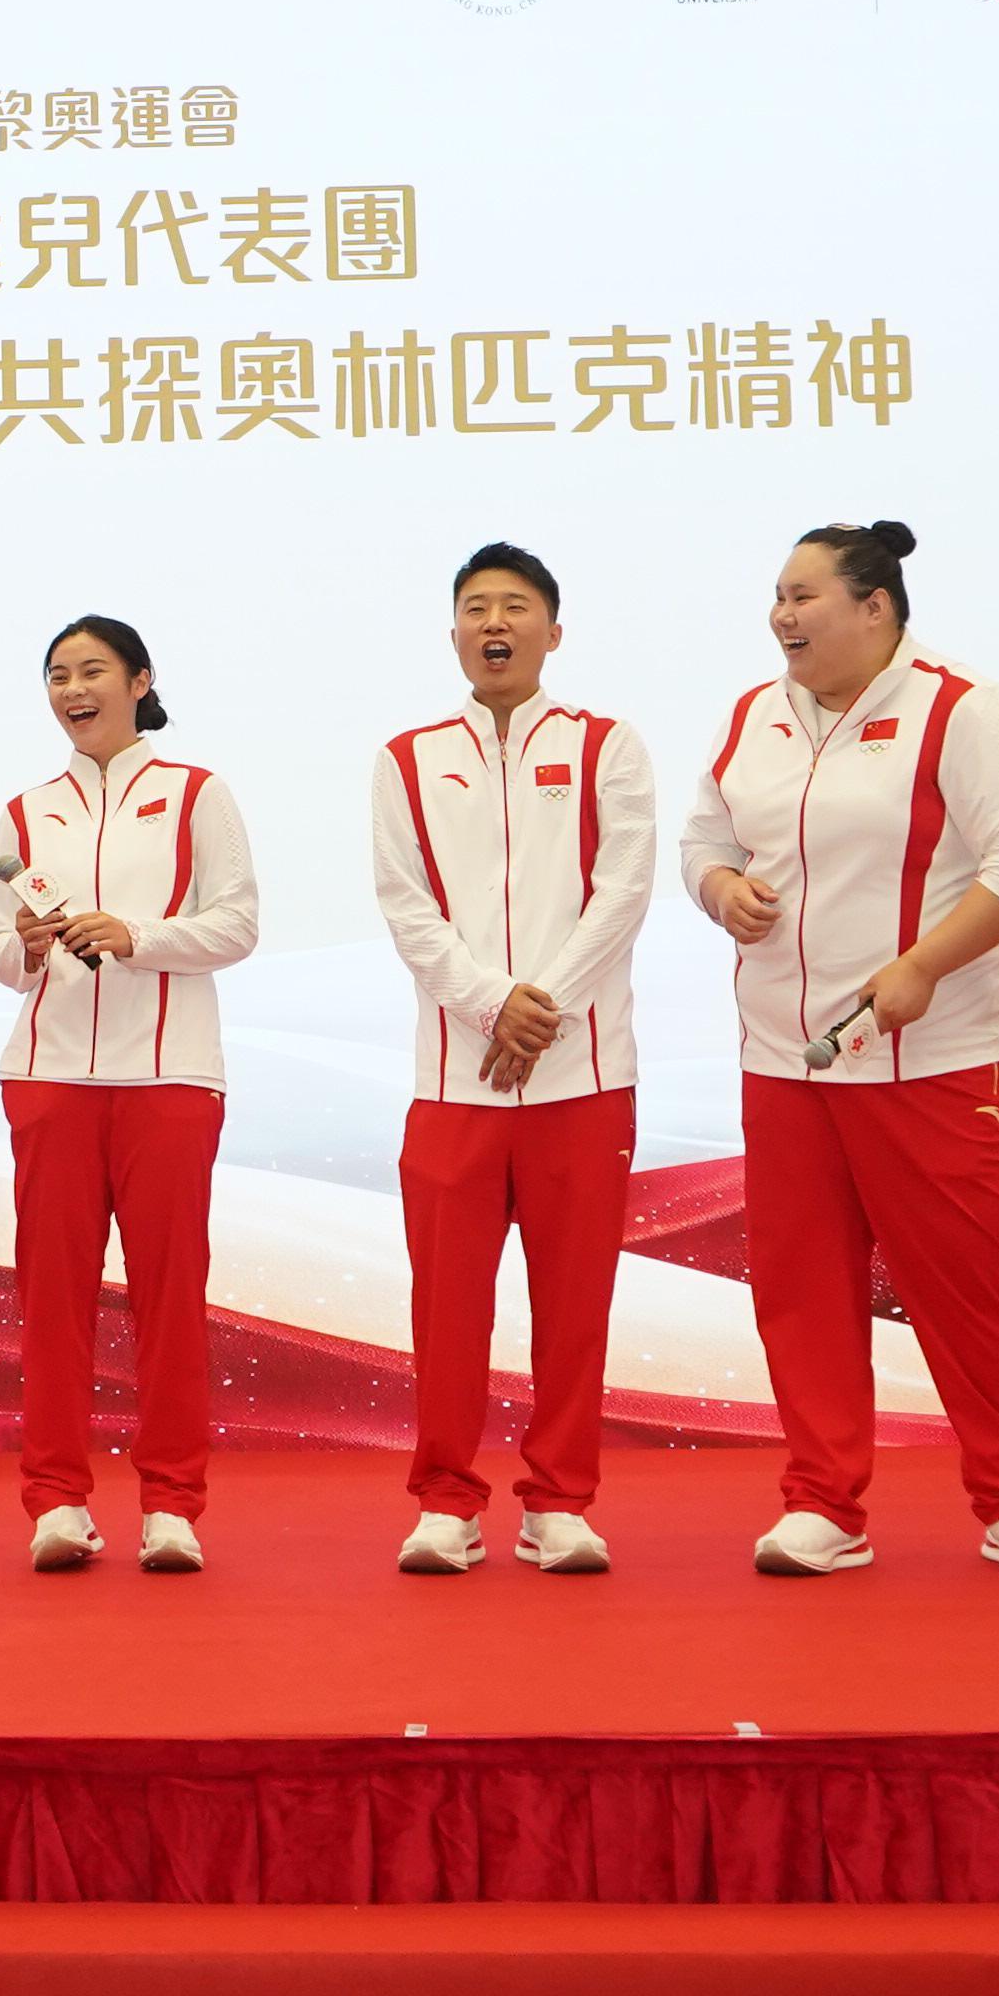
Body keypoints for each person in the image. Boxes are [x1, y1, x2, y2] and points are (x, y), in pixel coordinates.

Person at [680, 522, 999, 1577]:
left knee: (968, 1285)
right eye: (776, 595)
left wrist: (925, 965)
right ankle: (823, 1501)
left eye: (805, 596)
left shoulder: (966, 709)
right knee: (802, 1290)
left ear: (875, 607)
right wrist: (722, 888)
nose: (783, 616)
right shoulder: (753, 715)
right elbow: (705, 836)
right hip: (785, 1056)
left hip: (935, 1056)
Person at [372, 544, 656, 1577]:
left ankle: (560, 1502)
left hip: (583, 1076)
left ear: (552, 628)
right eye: (476, 608)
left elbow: (623, 889)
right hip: (456, 1079)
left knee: (573, 1303)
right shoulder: (407, 757)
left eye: (516, 607)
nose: (496, 623)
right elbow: (407, 905)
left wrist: (549, 1004)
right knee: (448, 1308)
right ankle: (446, 1501)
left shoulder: (605, 744)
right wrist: (496, 1002)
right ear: (454, 632)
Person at [0, 616, 258, 1575]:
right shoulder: (26, 812)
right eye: (57, 675)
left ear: (141, 680)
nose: (72, 690)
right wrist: (21, 945)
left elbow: (237, 925)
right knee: (50, 1303)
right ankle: (56, 1500)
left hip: (170, 1077)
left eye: (92, 671)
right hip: (50, 1080)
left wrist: (137, 935)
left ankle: (172, 1505)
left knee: (170, 1300)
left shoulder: (195, 795)